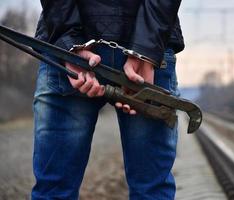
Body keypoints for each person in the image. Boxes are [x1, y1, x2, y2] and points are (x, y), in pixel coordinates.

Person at [32, 0, 184, 199]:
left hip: (70, 42)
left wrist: (69, 38)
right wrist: (146, 47)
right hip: (149, 47)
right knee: (152, 190)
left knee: (54, 190)